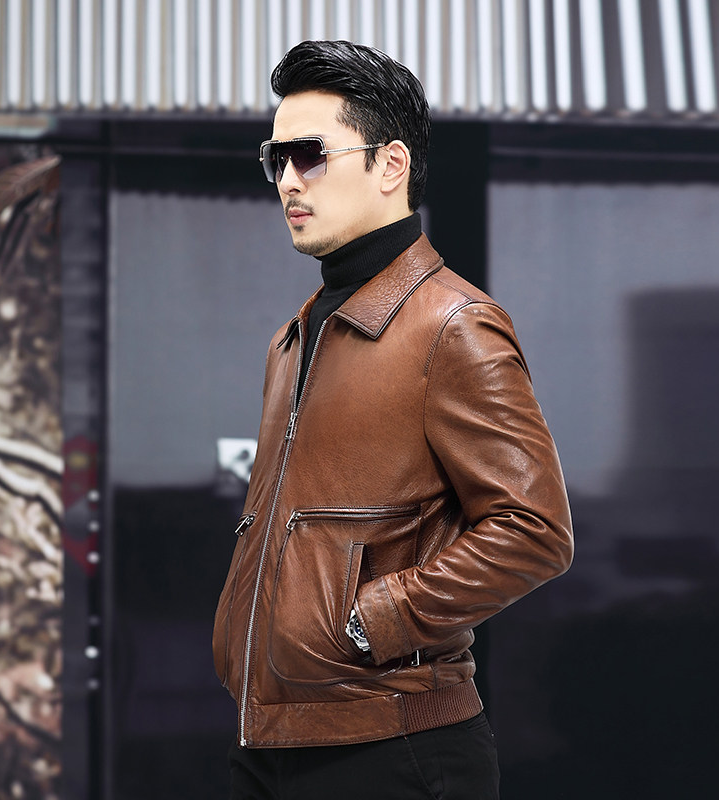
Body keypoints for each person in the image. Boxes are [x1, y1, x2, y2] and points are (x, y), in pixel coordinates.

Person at [212, 39, 574, 800]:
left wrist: (370, 620)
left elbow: (534, 529)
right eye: (275, 159)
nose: (288, 180)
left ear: (390, 165)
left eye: (310, 155)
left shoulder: (453, 326)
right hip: (268, 741)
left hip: (395, 747)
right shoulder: (294, 338)